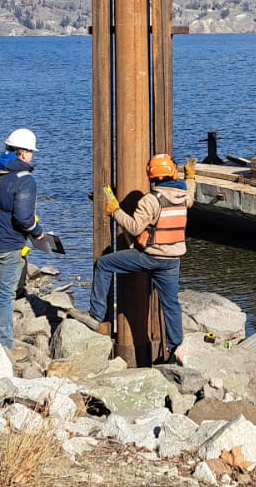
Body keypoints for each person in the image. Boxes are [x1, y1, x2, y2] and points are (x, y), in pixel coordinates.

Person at [75, 153, 196, 363]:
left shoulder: (151, 200)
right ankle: (177, 347)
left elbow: (134, 226)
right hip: (172, 261)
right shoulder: (184, 196)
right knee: (171, 305)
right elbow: (191, 190)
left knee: (104, 264)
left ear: (152, 177)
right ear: (173, 173)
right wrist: (191, 176)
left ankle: (96, 314)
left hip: (150, 257)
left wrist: (116, 211)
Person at [0, 127, 43, 349]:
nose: (32, 156)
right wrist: (38, 232)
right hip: (9, 244)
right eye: (31, 152)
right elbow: (24, 218)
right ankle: (3, 344)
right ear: (23, 153)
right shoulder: (25, 180)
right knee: (5, 293)